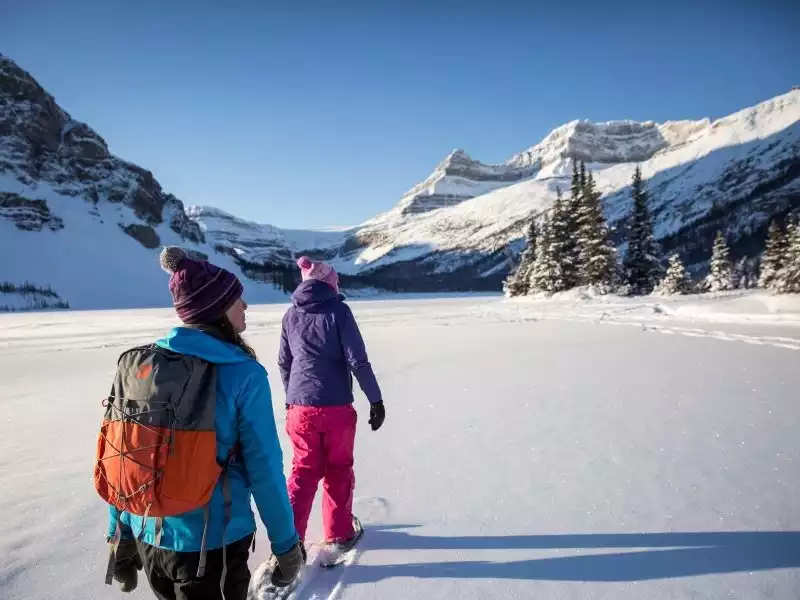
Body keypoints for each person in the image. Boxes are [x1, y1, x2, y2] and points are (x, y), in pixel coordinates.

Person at [104, 247, 305, 600]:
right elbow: (265, 470)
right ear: (216, 311)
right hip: (213, 548)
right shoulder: (242, 374)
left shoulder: (141, 367)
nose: (245, 306)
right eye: (236, 299)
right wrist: (286, 545)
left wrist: (119, 536)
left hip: (149, 537)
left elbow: (125, 457)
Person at [278, 256, 385, 550]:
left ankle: (290, 541)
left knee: (303, 470)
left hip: (300, 409)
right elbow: (358, 361)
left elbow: (284, 363)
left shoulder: (290, 315)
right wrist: (375, 400)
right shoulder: (340, 311)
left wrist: (292, 399)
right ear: (329, 284)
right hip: (336, 407)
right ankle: (339, 533)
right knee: (338, 469)